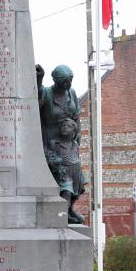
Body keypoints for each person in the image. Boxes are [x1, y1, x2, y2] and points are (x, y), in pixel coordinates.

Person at [36, 64, 86, 225]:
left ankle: (69, 208)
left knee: (76, 174)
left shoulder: (71, 93)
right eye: (64, 81)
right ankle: (61, 212)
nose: (68, 84)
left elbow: (77, 116)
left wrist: (77, 135)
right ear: (56, 81)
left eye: (70, 80)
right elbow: (34, 97)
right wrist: (39, 78)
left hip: (69, 142)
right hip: (51, 142)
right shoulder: (48, 93)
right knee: (63, 178)